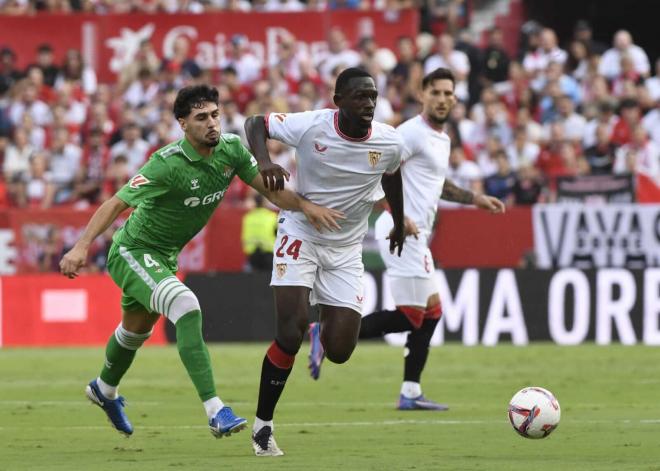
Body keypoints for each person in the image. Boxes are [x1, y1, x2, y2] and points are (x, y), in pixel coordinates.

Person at [59, 85, 342, 439]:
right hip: (133, 251)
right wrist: (81, 246)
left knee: (134, 333)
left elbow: (270, 190)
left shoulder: (232, 150)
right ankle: (215, 410)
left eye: (215, 115)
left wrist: (306, 206)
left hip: (164, 257)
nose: (212, 124)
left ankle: (103, 389)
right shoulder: (166, 164)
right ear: (182, 124)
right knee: (186, 305)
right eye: (201, 118)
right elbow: (117, 203)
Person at [308, 68, 505, 410]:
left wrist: (475, 199)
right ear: (422, 94)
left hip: (416, 233)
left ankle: (411, 392)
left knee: (431, 313)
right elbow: (379, 171)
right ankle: (325, 334)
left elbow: (436, 183)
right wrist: (400, 216)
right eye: (436, 92)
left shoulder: (441, 138)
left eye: (448, 93)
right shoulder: (408, 134)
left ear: (455, 98)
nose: (443, 99)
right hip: (400, 230)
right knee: (414, 315)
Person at [244, 67, 407, 456]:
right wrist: (264, 161)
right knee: (290, 330)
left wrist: (399, 221)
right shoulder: (311, 125)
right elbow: (254, 123)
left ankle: (322, 332)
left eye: (373, 95)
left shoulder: (389, 141)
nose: (369, 103)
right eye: (360, 96)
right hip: (300, 230)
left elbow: (392, 176)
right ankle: (263, 426)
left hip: (346, 249)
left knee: (339, 351)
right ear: (338, 101)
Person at [241, 193, 278, 271]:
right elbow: (277, 234)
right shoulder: (272, 217)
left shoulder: (248, 217)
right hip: (268, 253)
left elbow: (245, 236)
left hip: (252, 253)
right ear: (264, 203)